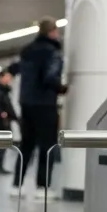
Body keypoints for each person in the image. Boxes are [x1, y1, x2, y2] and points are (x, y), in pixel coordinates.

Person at [13, 18, 65, 199]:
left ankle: (16, 186)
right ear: (52, 32)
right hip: (45, 103)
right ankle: (42, 188)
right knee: (47, 146)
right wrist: (62, 88)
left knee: (26, 145)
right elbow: (50, 77)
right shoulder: (52, 51)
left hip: (26, 103)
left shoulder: (27, 51)